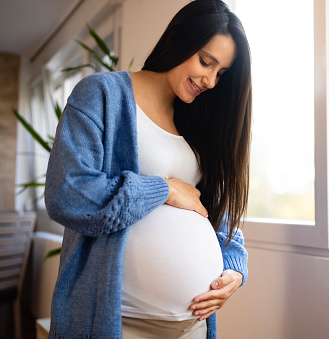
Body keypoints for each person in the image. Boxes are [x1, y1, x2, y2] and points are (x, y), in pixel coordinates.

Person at [44, 0, 251, 338]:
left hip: (194, 326)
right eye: (205, 62)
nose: (211, 80)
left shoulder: (197, 118)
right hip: (120, 322)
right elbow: (67, 193)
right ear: (180, 39)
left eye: (221, 73)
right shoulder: (101, 95)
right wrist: (164, 188)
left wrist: (235, 269)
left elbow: (214, 210)